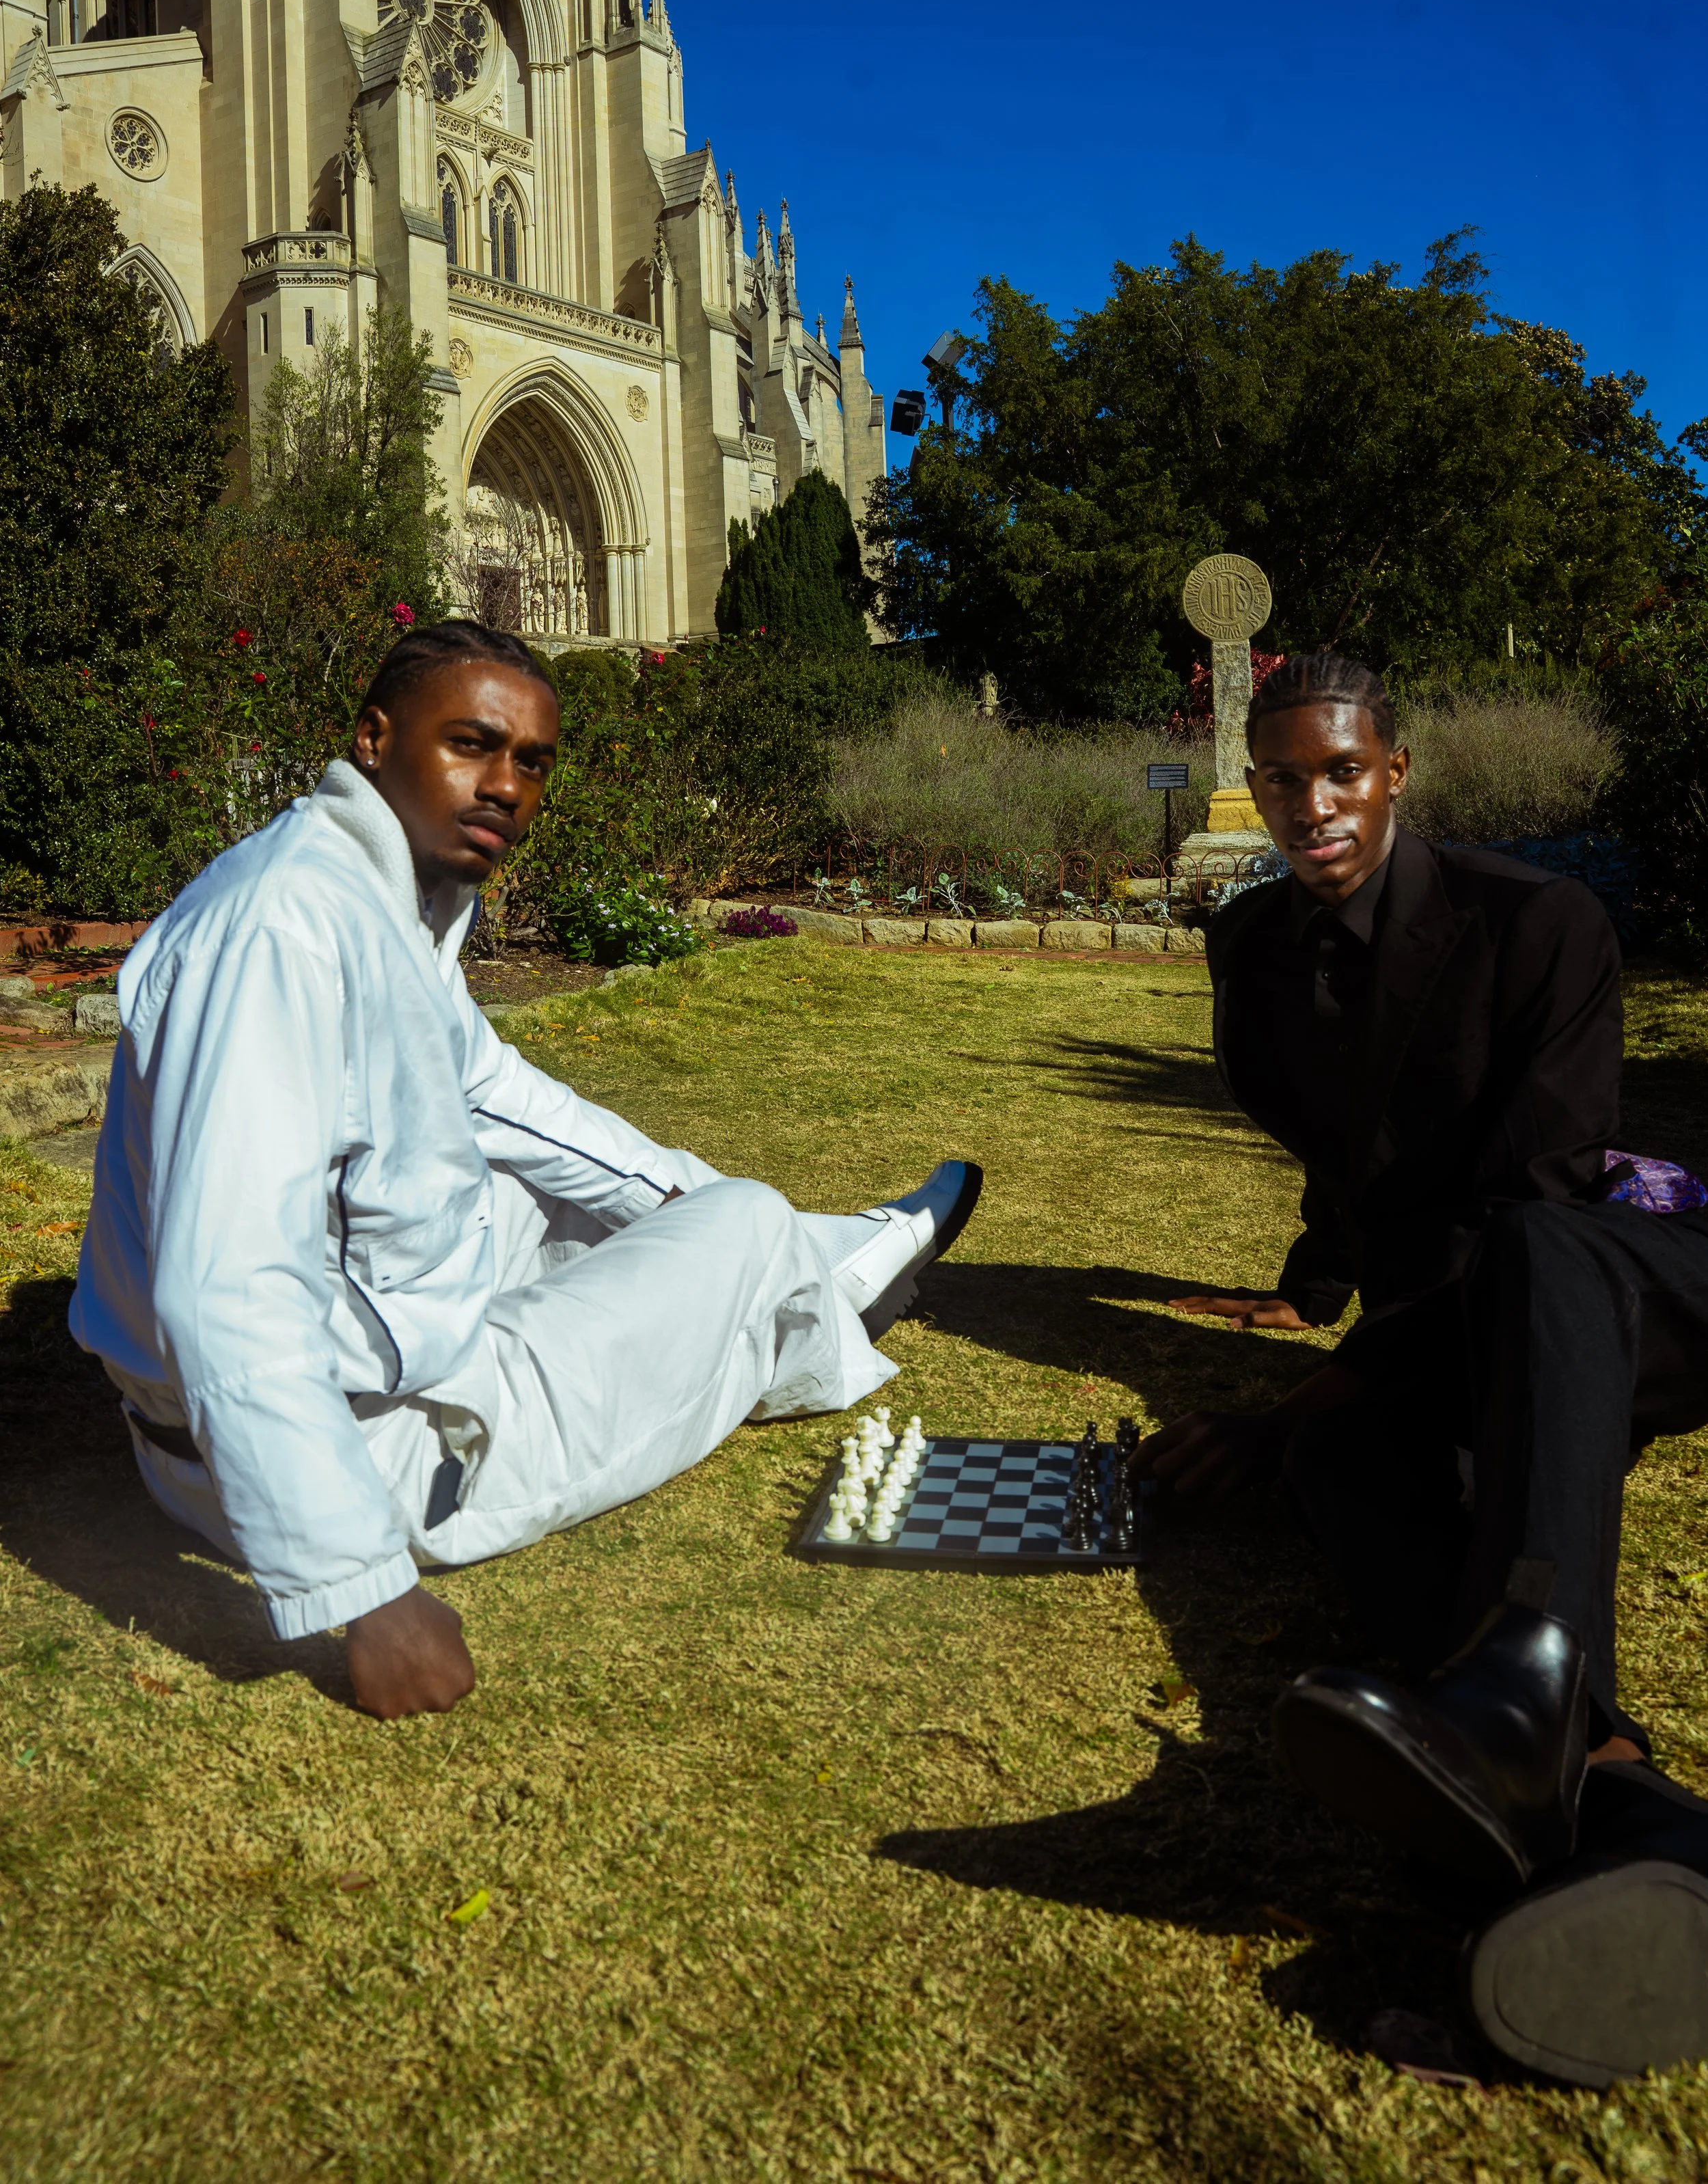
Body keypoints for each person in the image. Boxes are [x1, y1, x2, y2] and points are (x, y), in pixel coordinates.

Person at [70, 623, 981, 1724]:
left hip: (314, 1371)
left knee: (589, 1197)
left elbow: (495, 1096)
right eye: (472, 744)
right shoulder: (288, 930)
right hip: (375, 1458)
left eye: (532, 762)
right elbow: (226, 1287)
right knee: (739, 1228)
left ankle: (816, 1250)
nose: (504, 784)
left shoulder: (363, 886)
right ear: (374, 737)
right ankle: (814, 1275)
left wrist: (683, 1195)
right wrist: (365, 1588)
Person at [1132, 650, 1708, 2084]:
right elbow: (1339, 1153)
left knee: (1527, 1264)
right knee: (1341, 1461)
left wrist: (1321, 1382)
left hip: (1629, 1281)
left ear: (1395, 771)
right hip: (1460, 1323)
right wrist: (1309, 1299)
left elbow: (1545, 1192)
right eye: (1281, 778)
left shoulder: (1542, 923)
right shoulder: (1246, 952)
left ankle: (1520, 1692)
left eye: (1340, 770)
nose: (1309, 802)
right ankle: (1618, 1801)